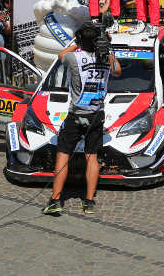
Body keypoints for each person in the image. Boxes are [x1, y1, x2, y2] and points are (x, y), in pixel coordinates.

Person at [42, 22, 121, 216]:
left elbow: (61, 56)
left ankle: (55, 200)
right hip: (96, 114)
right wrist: (108, 51)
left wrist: (77, 44)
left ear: (80, 39)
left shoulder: (74, 57)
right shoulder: (106, 59)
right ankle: (89, 201)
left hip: (77, 114)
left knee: (63, 154)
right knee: (91, 156)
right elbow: (118, 70)